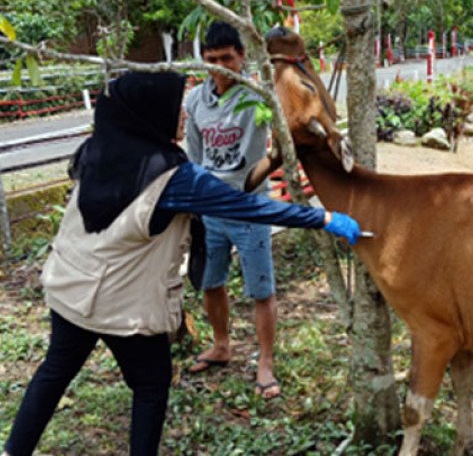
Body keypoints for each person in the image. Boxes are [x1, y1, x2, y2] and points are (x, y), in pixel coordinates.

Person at [1, 71, 361, 456]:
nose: (186, 116)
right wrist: (322, 218)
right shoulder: (174, 178)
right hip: (123, 310)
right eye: (177, 108)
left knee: (54, 372)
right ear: (153, 114)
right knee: (151, 386)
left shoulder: (97, 150)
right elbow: (246, 205)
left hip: (69, 289)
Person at [182, 21, 285, 399]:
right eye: (212, 60)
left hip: (252, 207)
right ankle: (222, 344)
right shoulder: (195, 101)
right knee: (211, 282)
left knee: (261, 289)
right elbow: (193, 155)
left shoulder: (259, 96)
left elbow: (283, 133)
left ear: (242, 56)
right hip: (211, 208)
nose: (220, 66)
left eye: (228, 58)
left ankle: (265, 362)